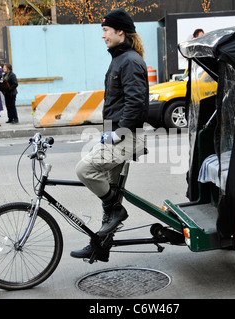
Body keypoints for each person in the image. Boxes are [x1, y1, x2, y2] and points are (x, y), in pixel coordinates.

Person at [71, 8, 149, 261]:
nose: (103, 35)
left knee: (85, 170)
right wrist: (109, 134)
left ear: (120, 32)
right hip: (116, 135)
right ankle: (100, 245)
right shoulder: (120, 58)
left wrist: (118, 134)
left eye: (106, 30)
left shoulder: (130, 61)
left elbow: (136, 103)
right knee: (110, 192)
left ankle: (116, 210)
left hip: (126, 137)